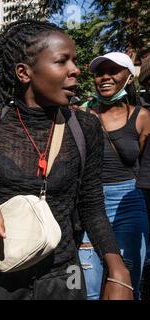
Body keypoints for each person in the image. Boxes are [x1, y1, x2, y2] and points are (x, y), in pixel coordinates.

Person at [0, 20, 132, 300]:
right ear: (24, 72)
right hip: (0, 276)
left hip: (64, 275)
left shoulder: (84, 127)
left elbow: (91, 205)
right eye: (62, 61)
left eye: (75, 61)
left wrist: (118, 271)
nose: (76, 70)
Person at [76, 52, 150, 300]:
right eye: (99, 73)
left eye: (113, 71)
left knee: (127, 286)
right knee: (90, 289)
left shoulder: (142, 117)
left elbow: (143, 168)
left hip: (129, 204)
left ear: (129, 78)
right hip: (90, 205)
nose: (105, 77)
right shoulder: (82, 116)